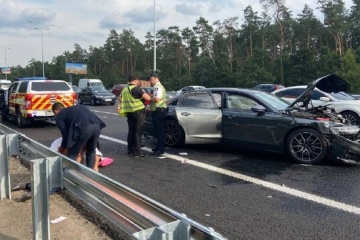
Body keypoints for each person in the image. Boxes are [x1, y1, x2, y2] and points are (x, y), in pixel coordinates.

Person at [52, 102, 106, 170]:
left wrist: (64, 147)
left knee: (73, 153)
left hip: (84, 128)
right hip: (97, 125)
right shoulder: (74, 108)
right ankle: (90, 174)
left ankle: (71, 174)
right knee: (91, 151)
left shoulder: (59, 116)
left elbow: (65, 134)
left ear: (55, 111)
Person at [119, 75, 151, 158]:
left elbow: (120, 99)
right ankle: (137, 152)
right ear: (136, 81)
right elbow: (147, 98)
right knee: (138, 132)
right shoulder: (136, 89)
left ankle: (130, 150)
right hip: (138, 112)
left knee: (131, 131)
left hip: (129, 112)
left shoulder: (125, 90)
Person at [147, 72, 167, 155]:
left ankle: (160, 148)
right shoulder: (158, 86)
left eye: (151, 80)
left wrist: (148, 99)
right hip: (159, 110)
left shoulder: (157, 87)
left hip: (158, 110)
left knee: (159, 130)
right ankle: (159, 147)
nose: (150, 82)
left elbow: (157, 99)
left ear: (155, 78)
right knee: (158, 130)